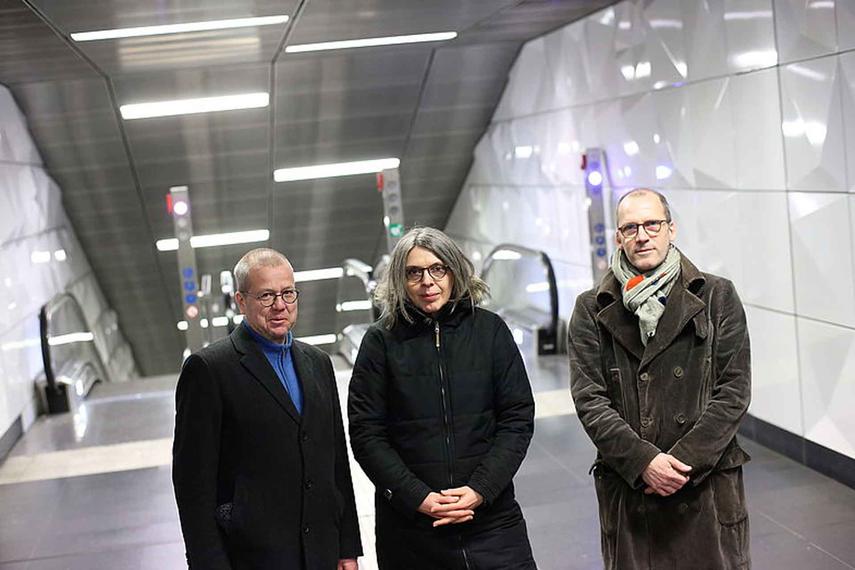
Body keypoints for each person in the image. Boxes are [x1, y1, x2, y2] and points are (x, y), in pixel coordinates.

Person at [568, 189, 752, 569]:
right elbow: (590, 399)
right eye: (630, 227)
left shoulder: (716, 295)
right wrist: (644, 462)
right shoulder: (591, 308)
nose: (642, 235)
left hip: (704, 484)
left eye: (652, 224)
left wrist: (682, 463)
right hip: (634, 490)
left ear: (671, 229)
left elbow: (734, 389)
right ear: (618, 237)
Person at [348, 227, 537, 569]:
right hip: (411, 529)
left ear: (454, 271)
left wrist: (480, 489)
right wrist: (419, 498)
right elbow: (366, 434)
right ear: (400, 281)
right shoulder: (380, 343)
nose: (428, 282)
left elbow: (516, 419)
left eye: (438, 269)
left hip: (492, 521)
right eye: (414, 273)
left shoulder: (490, 331)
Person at [172, 248, 362, 570]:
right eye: (266, 296)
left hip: (320, 552)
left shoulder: (318, 363)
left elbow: (336, 464)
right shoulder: (209, 369)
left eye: (288, 293)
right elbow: (193, 484)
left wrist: (346, 547)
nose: (280, 306)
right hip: (252, 555)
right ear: (241, 301)